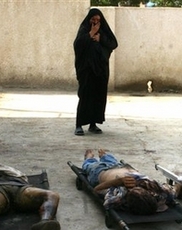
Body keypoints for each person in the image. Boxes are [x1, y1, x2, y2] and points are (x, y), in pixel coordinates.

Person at [82, 149, 176, 215]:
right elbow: (176, 188)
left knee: (89, 165)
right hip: (120, 166)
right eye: (140, 189)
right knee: (111, 160)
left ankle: (89, 158)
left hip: (100, 172)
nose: (133, 186)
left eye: (132, 189)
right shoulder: (161, 194)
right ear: (150, 194)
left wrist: (118, 181)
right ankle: (104, 156)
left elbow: (96, 190)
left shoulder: (119, 197)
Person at [73, 8, 118, 136]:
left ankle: (93, 124)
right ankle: (79, 125)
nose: (95, 22)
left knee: (97, 96)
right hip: (86, 70)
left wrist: (101, 38)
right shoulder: (84, 30)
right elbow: (77, 45)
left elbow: (114, 43)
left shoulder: (104, 32)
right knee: (85, 95)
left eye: (98, 20)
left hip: (101, 70)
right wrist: (90, 34)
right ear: (89, 20)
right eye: (93, 19)